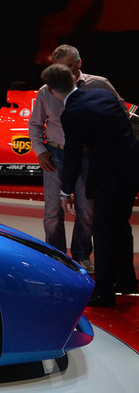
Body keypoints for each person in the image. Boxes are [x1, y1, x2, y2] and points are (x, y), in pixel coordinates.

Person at [40, 63, 139, 307]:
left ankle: (104, 292)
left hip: (109, 175)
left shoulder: (72, 113)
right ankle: (127, 281)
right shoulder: (102, 94)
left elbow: (72, 156)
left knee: (104, 232)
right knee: (120, 226)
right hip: (132, 167)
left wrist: (66, 191)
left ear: (52, 91)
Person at [28, 44, 126, 272]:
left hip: (87, 155)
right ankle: (56, 257)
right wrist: (41, 151)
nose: (67, 74)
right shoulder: (45, 91)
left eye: (71, 68)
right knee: (52, 211)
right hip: (55, 155)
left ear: (80, 64)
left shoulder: (99, 84)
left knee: (87, 210)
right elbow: (35, 124)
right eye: (61, 69)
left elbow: (120, 112)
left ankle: (82, 255)